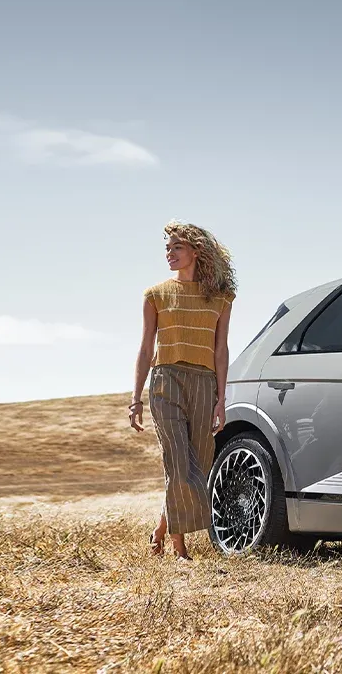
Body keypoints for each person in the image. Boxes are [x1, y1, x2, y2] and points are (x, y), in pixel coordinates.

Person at [126, 221, 236, 559]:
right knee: (177, 462)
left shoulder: (221, 298)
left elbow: (221, 349)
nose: (169, 253)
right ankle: (179, 545)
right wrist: (135, 398)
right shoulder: (155, 295)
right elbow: (146, 349)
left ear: (196, 252)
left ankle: (159, 529)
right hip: (166, 380)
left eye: (177, 247)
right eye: (167, 248)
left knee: (198, 466)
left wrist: (221, 399)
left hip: (204, 383)